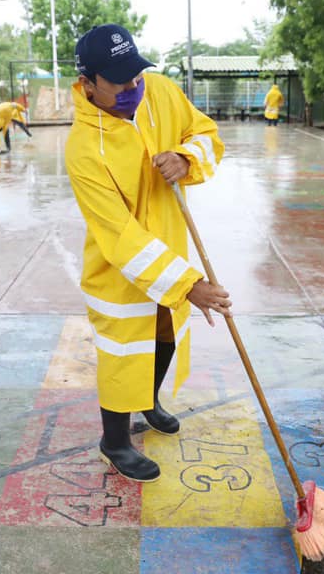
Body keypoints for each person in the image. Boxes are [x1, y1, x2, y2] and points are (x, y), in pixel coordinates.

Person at [66, 24, 231, 483]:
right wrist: (189, 284)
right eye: (119, 80)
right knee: (124, 351)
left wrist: (186, 157)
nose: (133, 87)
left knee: (164, 333)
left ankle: (150, 400)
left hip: (171, 251)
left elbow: (206, 133)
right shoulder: (84, 149)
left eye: (136, 75)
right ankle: (115, 442)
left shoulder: (158, 92)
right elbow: (119, 235)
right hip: (121, 271)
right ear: (89, 84)